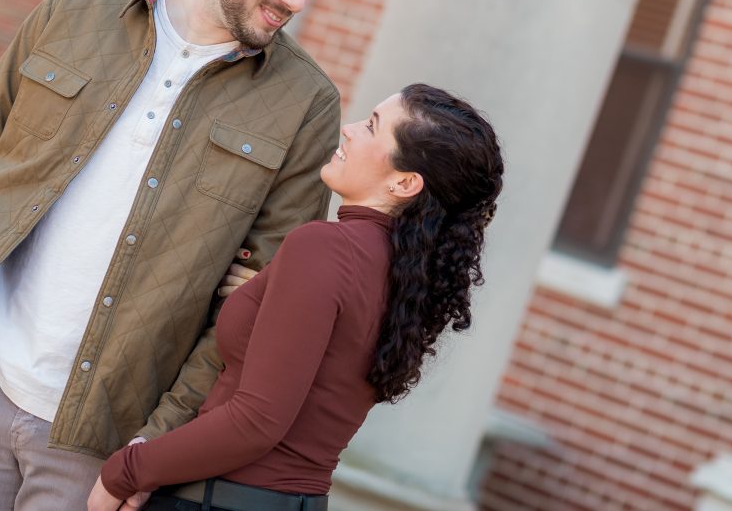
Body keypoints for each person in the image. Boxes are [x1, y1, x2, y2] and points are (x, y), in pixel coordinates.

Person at [0, 0, 353, 510]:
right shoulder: (76, 12)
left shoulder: (304, 105)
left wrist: (154, 444)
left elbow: (254, 310)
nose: (298, 1)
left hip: (101, 447)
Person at [87, 83, 505, 511]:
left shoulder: (324, 247)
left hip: (218, 499)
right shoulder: (407, 278)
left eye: (372, 127)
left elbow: (255, 422)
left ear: (404, 182)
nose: (350, 130)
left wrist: (128, 470)